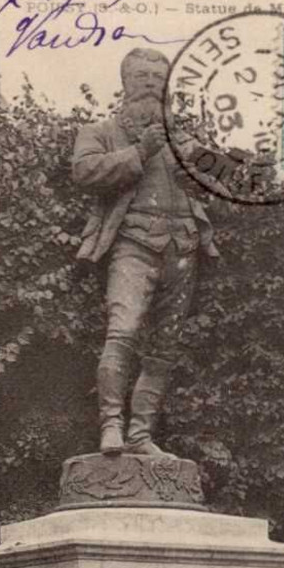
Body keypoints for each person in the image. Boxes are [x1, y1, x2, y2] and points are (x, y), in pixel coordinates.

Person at [72, 48, 218, 458]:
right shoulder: (100, 131)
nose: (151, 82)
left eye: (159, 77)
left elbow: (214, 178)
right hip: (133, 244)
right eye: (142, 75)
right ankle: (111, 426)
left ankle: (140, 434)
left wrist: (208, 166)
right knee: (123, 332)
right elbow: (84, 172)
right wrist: (139, 153)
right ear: (125, 82)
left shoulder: (181, 137)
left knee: (165, 348)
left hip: (183, 246)